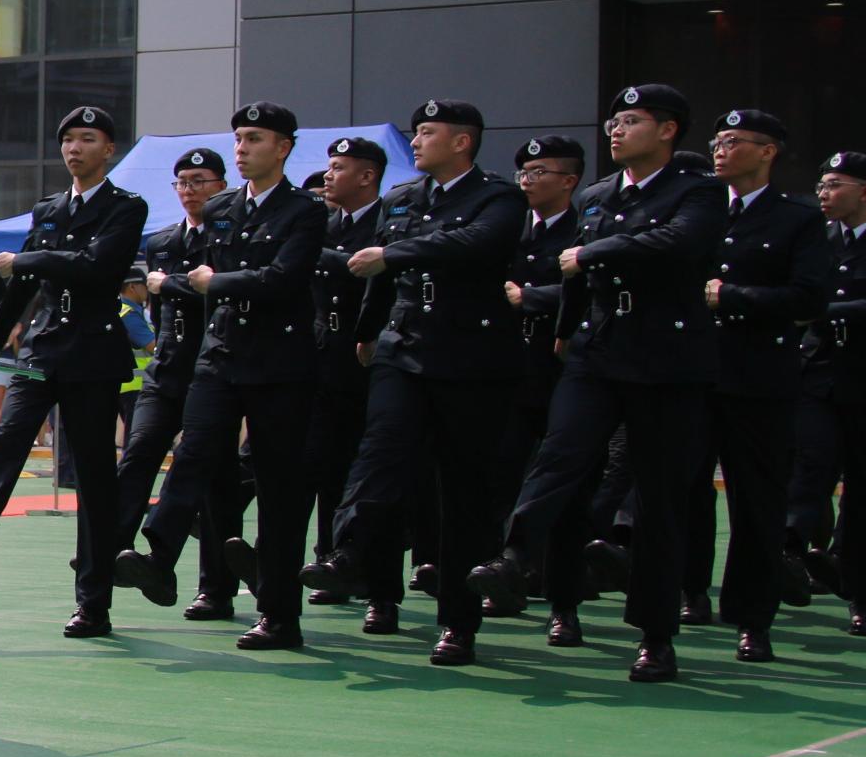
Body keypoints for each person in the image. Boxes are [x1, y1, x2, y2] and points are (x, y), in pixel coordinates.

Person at [472, 84, 725, 684]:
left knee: (660, 497)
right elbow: (579, 280)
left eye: (631, 121)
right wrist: (564, 332)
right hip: (596, 347)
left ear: (667, 130)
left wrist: (594, 253)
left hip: (666, 357)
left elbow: (679, 242)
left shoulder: (698, 189)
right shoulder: (598, 195)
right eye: (614, 121)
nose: (616, 130)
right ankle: (519, 561)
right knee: (560, 459)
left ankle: (656, 634)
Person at [301, 101, 524, 664]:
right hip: (401, 349)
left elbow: (477, 244)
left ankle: (458, 622)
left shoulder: (497, 197)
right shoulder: (402, 199)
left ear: (462, 142)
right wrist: (366, 332)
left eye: (427, 132)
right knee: (380, 457)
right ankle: (352, 558)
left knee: (460, 492)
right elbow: (382, 278)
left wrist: (394, 253)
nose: (416, 141)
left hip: (469, 358)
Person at [0, 104, 143, 638]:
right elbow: (22, 285)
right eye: (68, 139)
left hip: (92, 353)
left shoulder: (125, 207)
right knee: (7, 443)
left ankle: (93, 604)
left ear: (108, 150)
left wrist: (25, 261)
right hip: (43, 349)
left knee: (92, 477)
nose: (74, 148)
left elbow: (96, 267)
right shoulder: (49, 208)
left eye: (87, 139)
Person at [116, 102, 329, 649]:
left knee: (278, 489)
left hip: (279, 363)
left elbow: (283, 279)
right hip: (221, 354)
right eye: (238, 139)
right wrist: (200, 285)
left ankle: (279, 615)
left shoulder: (304, 210)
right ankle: (159, 555)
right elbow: (196, 279)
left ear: (282, 148)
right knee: (193, 453)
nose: (242, 148)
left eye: (254, 139)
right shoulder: (222, 209)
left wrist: (217, 282)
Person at [688, 110, 828, 661]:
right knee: (680, 488)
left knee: (757, 501)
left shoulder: (797, 218)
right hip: (691, 370)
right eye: (717, 140)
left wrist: (734, 297)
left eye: (734, 141)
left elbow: (809, 298)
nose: (720, 149)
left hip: (759, 376)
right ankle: (687, 591)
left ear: (768, 151)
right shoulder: (696, 208)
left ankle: (752, 617)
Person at [110, 148, 241, 622]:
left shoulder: (232, 235)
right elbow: (160, 311)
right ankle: (111, 551)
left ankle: (215, 589)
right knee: (138, 453)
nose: (190, 191)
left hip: (217, 369)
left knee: (214, 480)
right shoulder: (164, 240)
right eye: (183, 182)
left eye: (200, 181)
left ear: (221, 186)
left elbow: (226, 290)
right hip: (167, 368)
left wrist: (172, 284)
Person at [790, 150, 866, 641]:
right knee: (808, 466)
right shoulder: (815, 241)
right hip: (816, 375)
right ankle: (790, 555)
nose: (823, 193)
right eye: (822, 184)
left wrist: (823, 311)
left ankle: (862, 595)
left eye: (834, 184)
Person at [497, 136, 595, 647]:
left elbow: (594, 285)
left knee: (565, 492)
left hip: (566, 370)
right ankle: (504, 579)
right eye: (524, 172)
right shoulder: (510, 226)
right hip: (511, 372)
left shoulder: (587, 227)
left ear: (569, 180)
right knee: (501, 479)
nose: (527, 181)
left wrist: (531, 297)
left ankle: (564, 604)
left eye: (539, 172)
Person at [305, 137, 398, 633]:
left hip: (374, 362)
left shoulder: (390, 223)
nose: (328, 176)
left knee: (376, 478)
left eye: (338, 168)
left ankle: (382, 592)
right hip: (326, 359)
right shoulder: (323, 223)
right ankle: (332, 563)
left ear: (366, 176)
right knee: (327, 469)